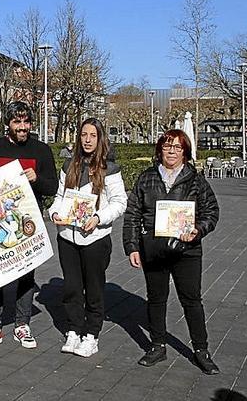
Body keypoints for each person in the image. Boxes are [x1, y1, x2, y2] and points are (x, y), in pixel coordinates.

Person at [122, 129, 221, 374]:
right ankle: (157, 345)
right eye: (167, 147)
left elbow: (212, 212)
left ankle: (201, 350)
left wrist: (197, 230)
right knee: (156, 299)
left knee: (191, 300)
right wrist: (132, 246)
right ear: (159, 150)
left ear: (185, 152)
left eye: (177, 147)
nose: (172, 151)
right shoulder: (146, 178)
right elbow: (133, 214)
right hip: (153, 249)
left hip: (186, 250)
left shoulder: (196, 180)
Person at [0, 101, 58, 350]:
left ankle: (22, 324)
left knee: (26, 272)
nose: (22, 127)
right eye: (17, 122)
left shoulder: (41, 150)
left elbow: (52, 187)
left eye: (26, 122)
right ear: (8, 123)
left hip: (28, 221)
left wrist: (36, 178)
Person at [48, 118, 127, 357]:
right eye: (84, 135)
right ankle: (74, 330)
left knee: (94, 289)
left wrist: (98, 217)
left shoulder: (110, 169)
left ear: (100, 138)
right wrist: (54, 213)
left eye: (93, 135)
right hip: (67, 238)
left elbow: (120, 202)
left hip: (95, 238)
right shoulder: (68, 166)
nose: (88, 140)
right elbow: (60, 197)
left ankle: (91, 335)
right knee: (71, 287)